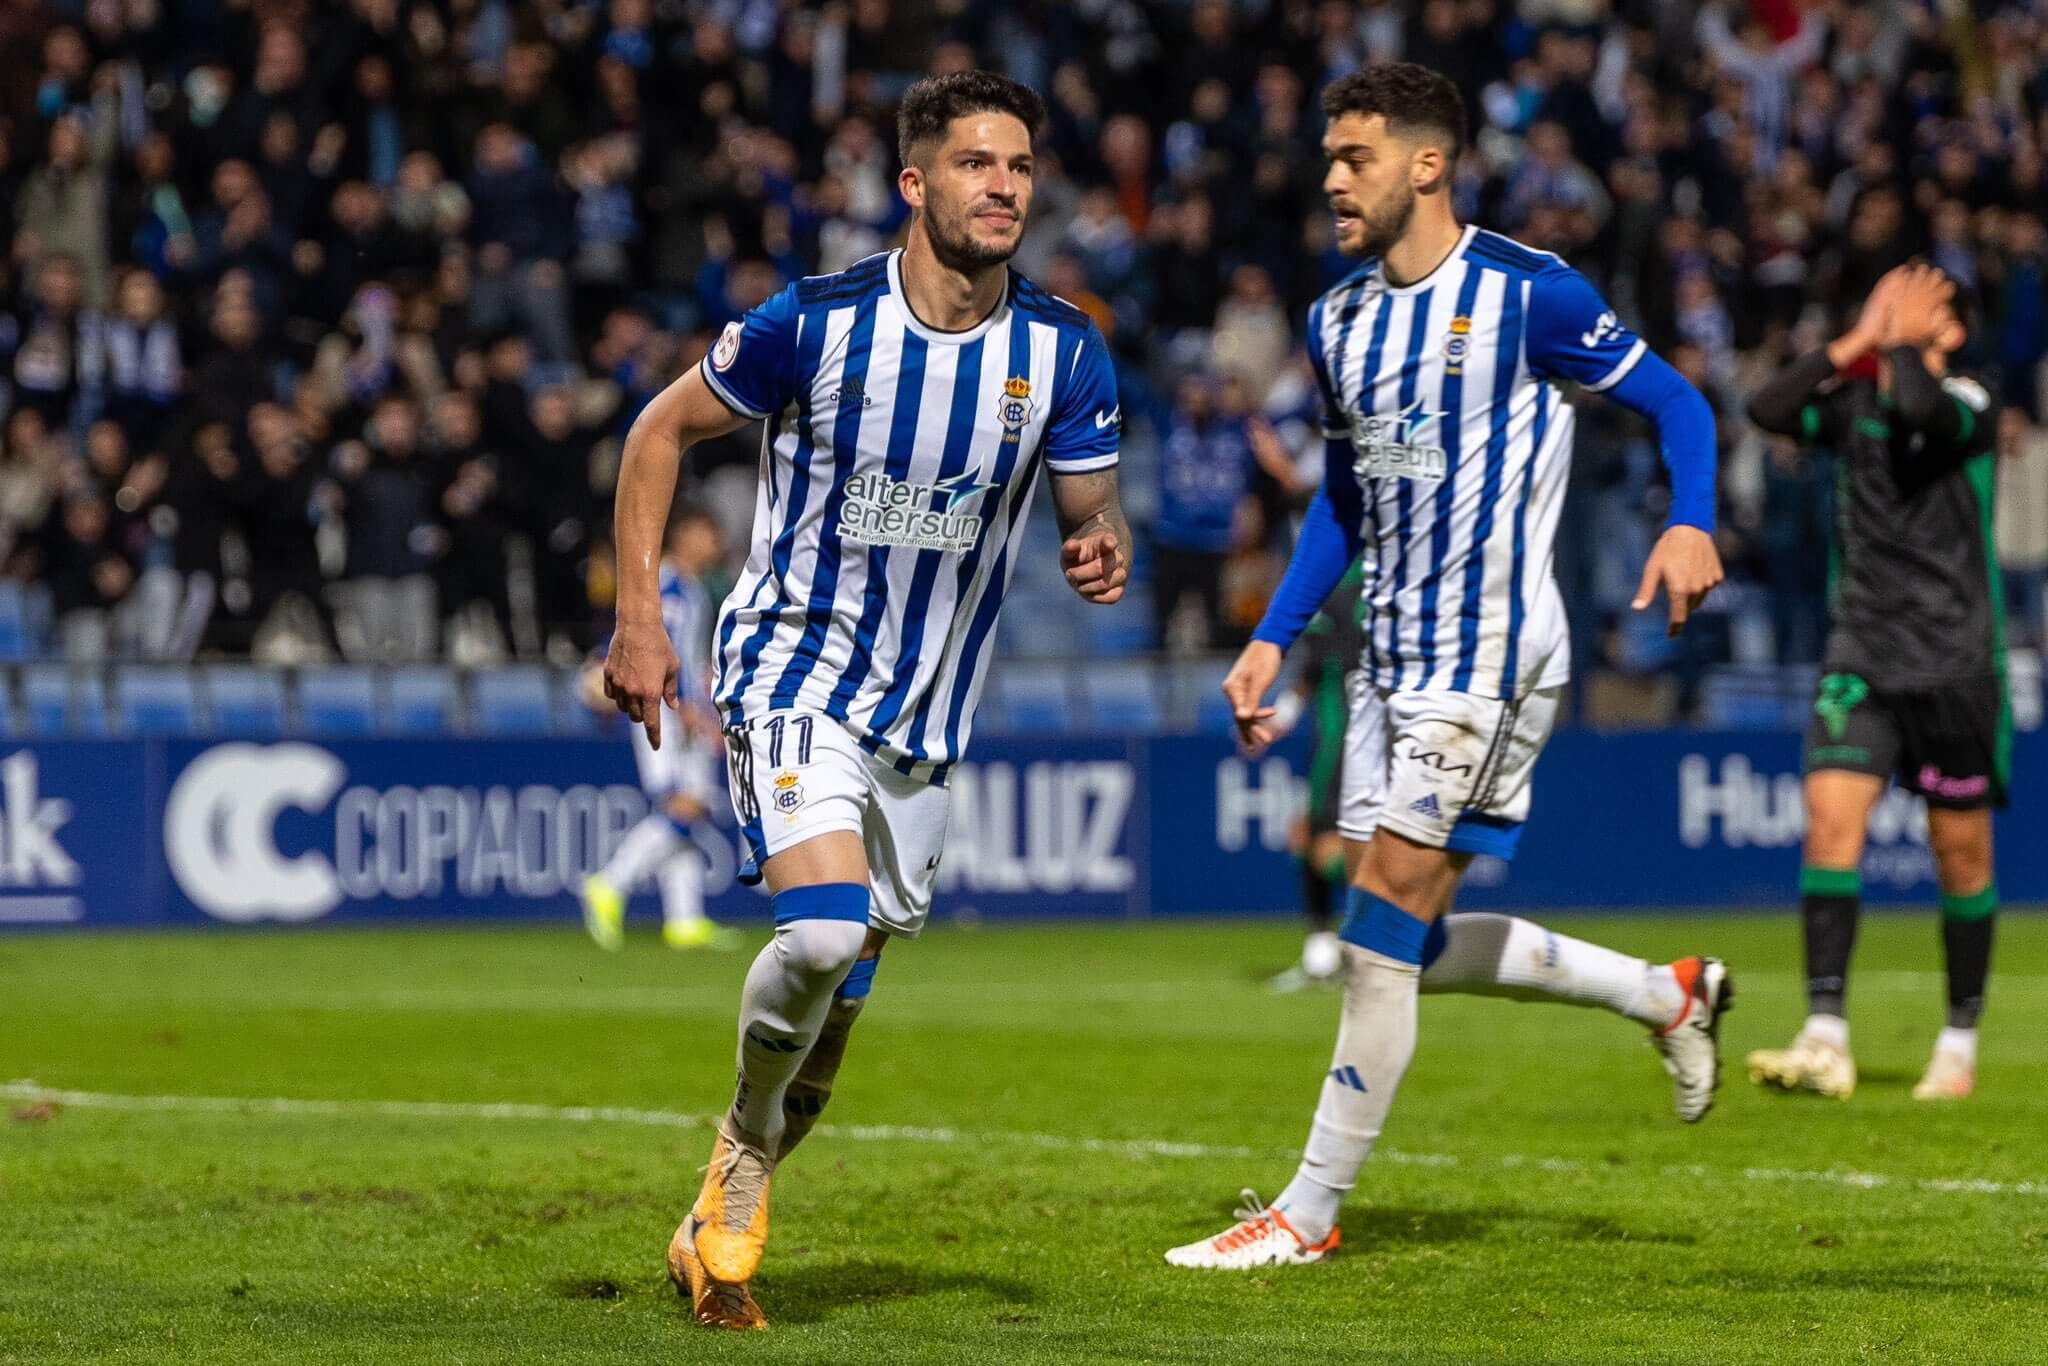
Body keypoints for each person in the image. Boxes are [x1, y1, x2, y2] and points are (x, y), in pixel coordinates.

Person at [1165, 64, 1731, 1272]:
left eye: (1353, 155)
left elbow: (1681, 403)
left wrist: (1691, 517)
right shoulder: (1337, 320)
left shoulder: (1531, 295)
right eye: (1327, 155)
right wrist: (1271, 633)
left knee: (1374, 937)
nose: (1329, 177)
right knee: (1404, 939)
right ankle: (1664, 994)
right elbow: (1340, 500)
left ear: (1426, 163)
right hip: (1383, 661)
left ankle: (1305, 1216)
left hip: (1485, 659)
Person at [602, 71, 1128, 1329]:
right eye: (973, 164)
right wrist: (635, 616)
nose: (1001, 186)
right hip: (789, 672)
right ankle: (736, 1148)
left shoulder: (1062, 349)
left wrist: (1099, 544)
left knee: (830, 1036)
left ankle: (720, 1204)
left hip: (925, 725)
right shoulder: (816, 323)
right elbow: (656, 434)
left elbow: (1085, 511)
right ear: (914, 184)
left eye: (1016, 165)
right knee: (822, 934)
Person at [1742, 264, 2004, 1103]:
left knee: (1959, 855)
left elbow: (1920, 408)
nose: (1894, 306)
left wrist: (1894, 343)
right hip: (1862, 654)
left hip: (1955, 663)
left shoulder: (1970, 401)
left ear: (1950, 328)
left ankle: (1958, 1042)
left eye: (1917, 297)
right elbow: (1768, 409)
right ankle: (1826, 1035)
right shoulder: (1855, 398)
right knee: (1829, 824)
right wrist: (1857, 338)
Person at [580, 507, 733, 951]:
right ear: (685, 534)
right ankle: (610, 883)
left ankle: (684, 920)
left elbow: (692, 654)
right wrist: (685, 706)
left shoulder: (691, 587)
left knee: (691, 806)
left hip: (685, 709)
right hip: (665, 709)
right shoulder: (667, 584)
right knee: (683, 805)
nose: (714, 543)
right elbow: (661, 641)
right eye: (707, 532)